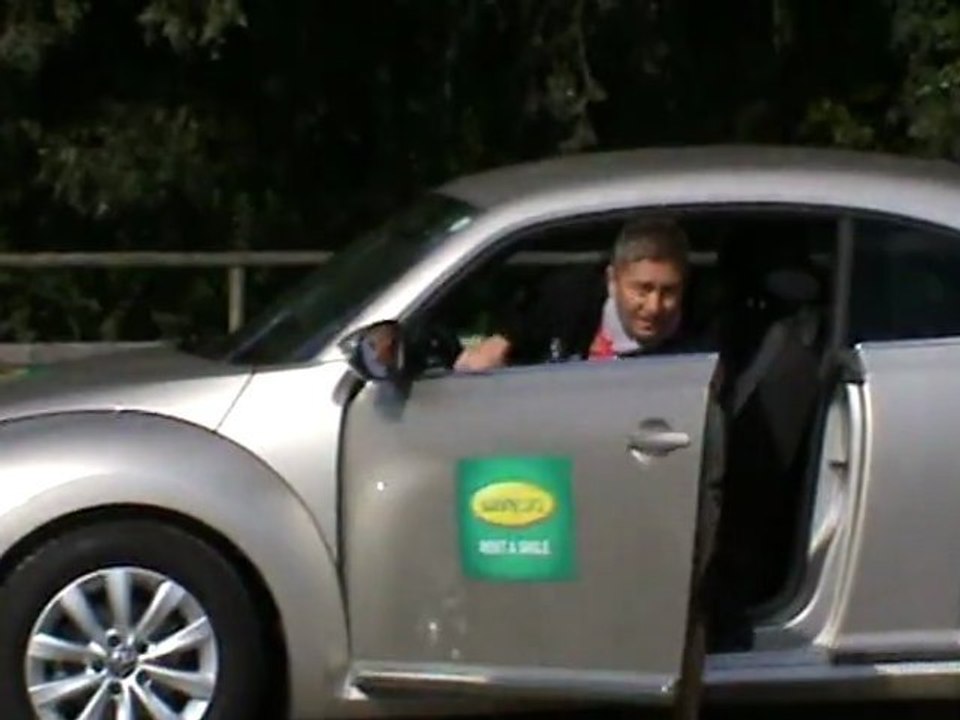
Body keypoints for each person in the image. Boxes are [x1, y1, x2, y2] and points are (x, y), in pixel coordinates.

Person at [454, 216, 692, 371]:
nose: (654, 306)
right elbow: (517, 329)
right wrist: (499, 344)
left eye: (669, 291)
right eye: (642, 290)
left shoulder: (700, 344)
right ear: (612, 280)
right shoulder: (567, 297)